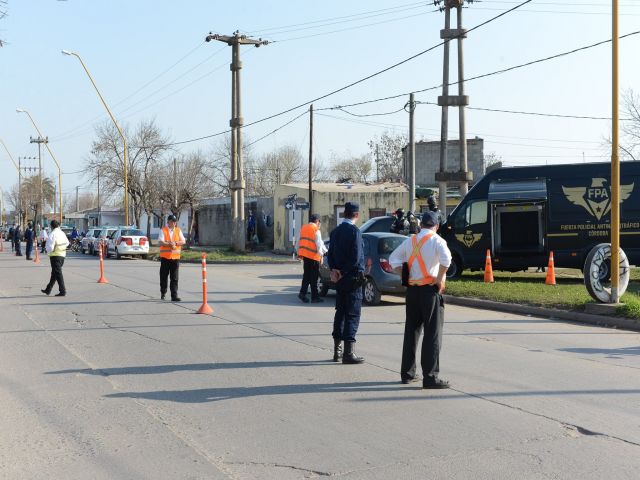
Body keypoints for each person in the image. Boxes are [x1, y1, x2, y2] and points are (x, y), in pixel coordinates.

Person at [389, 211, 452, 389]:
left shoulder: (410, 240)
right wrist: (439, 278)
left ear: (421, 225)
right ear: (436, 226)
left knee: (411, 332)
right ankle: (430, 377)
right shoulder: (437, 240)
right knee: (432, 334)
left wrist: (405, 275)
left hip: (413, 292)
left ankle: (407, 374)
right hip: (430, 292)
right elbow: (447, 260)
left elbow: (393, 260)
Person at [328, 201, 365, 364]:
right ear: (356, 215)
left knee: (340, 312)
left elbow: (329, 254)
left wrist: (334, 270)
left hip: (339, 278)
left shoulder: (335, 232)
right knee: (352, 314)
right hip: (352, 278)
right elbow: (356, 258)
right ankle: (348, 354)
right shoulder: (354, 232)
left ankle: (337, 351)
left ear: (344, 214)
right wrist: (343, 272)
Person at [297, 213, 328, 304]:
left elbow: (299, 241)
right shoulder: (316, 230)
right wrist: (322, 255)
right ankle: (315, 297)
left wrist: (298, 253)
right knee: (314, 278)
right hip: (314, 257)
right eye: (320, 222)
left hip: (305, 256)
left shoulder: (303, 228)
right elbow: (319, 244)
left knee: (306, 276)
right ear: (317, 221)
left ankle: (302, 293)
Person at [158, 214, 186, 301]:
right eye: (172, 221)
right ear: (168, 222)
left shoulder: (178, 230)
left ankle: (174, 295)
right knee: (164, 276)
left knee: (174, 278)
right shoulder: (163, 230)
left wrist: (176, 243)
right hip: (165, 258)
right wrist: (170, 244)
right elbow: (161, 242)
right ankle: (163, 292)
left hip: (175, 258)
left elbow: (183, 241)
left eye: (175, 222)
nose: (174, 223)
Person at [41, 219, 69, 297]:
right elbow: (67, 243)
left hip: (55, 256)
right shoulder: (62, 233)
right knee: (54, 273)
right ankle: (48, 289)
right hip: (62, 255)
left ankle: (62, 291)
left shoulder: (52, 234)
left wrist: (48, 251)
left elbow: (50, 247)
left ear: (51, 226)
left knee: (58, 273)